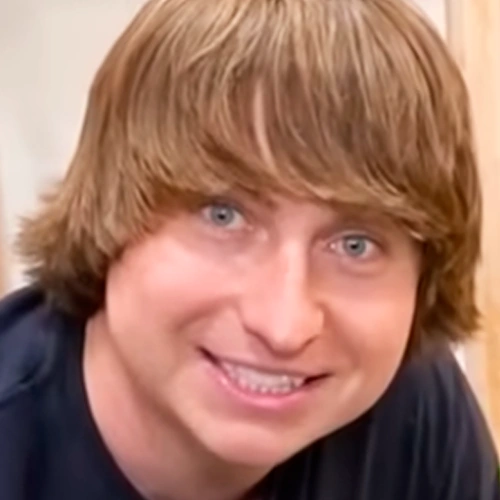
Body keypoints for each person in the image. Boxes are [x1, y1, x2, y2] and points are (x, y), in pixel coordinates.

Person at [0, 0, 498, 498]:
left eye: (355, 245)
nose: (284, 327)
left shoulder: (412, 414)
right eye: (223, 216)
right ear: (108, 210)